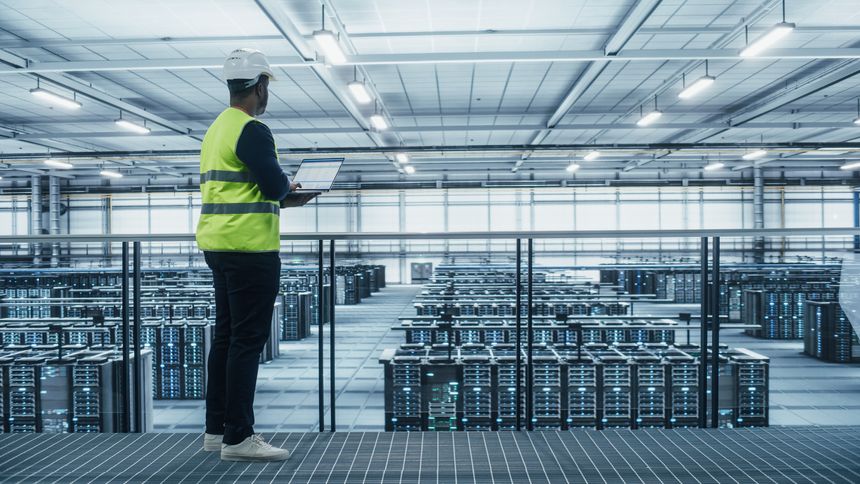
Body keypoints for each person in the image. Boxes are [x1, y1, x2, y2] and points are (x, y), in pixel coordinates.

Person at [195, 48, 299, 462]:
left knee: (225, 339)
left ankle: (216, 430)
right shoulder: (253, 130)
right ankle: (239, 437)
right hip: (250, 249)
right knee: (246, 343)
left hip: (218, 246)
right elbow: (273, 188)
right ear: (260, 87)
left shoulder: (217, 128)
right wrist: (292, 189)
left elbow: (239, 185)